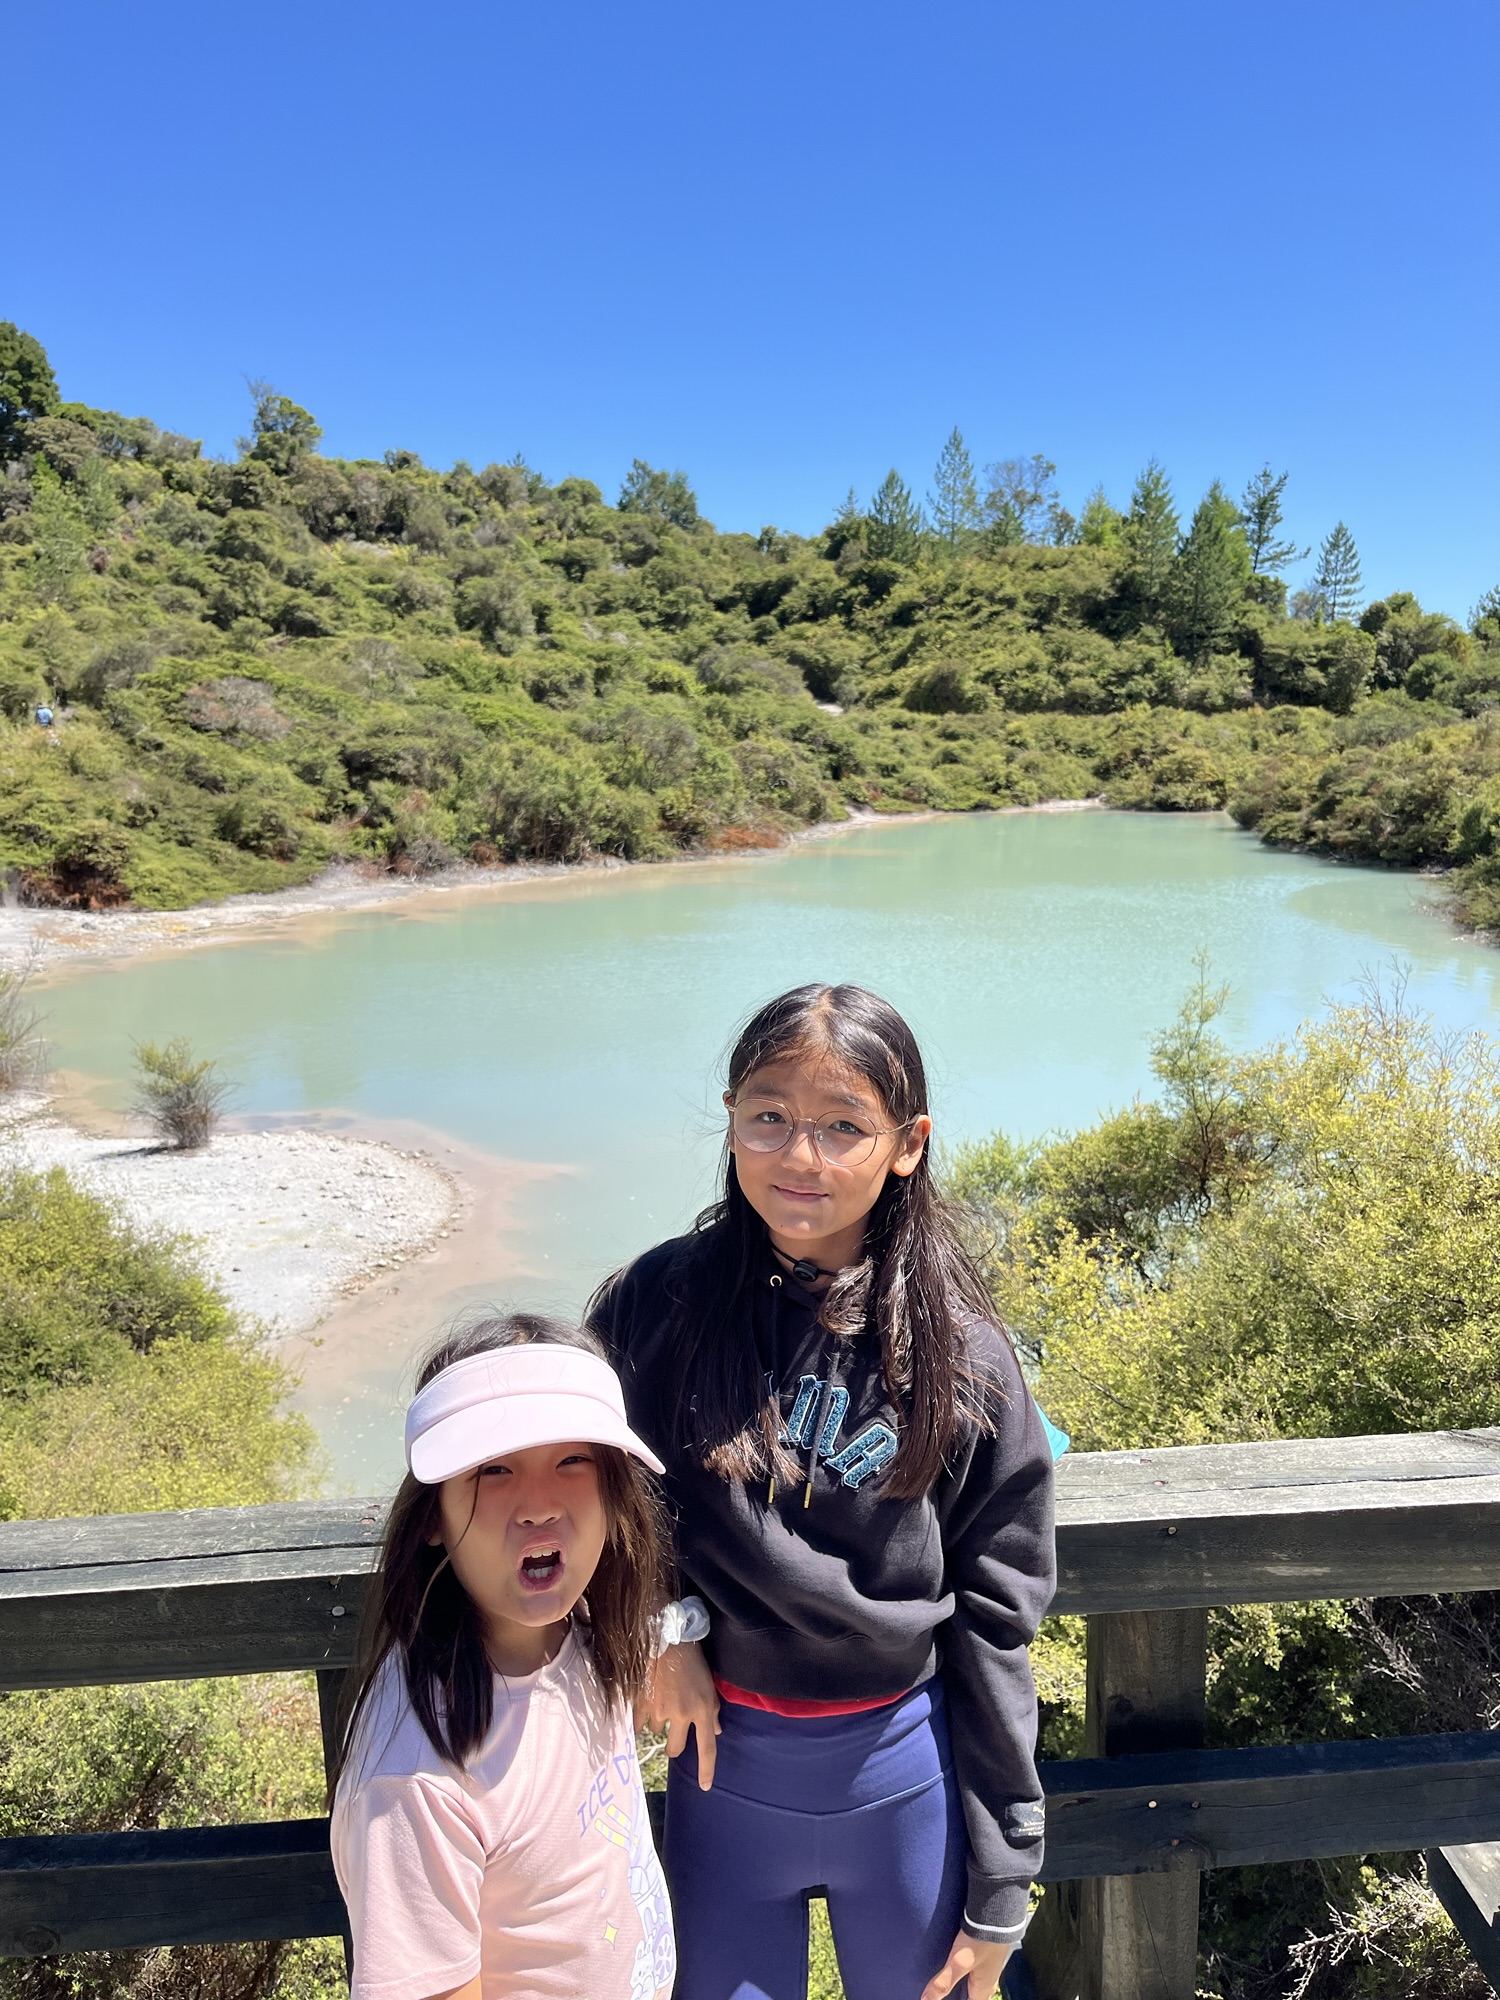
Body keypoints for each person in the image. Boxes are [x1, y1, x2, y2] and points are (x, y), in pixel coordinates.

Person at [590, 983, 1058, 2000]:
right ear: (731, 1117)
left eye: (843, 1126)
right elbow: (597, 1490)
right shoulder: (658, 1304)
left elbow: (997, 1612)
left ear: (908, 1143)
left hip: (904, 1771)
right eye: (770, 1116)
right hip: (718, 1769)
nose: (800, 1155)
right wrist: (663, 1628)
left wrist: (1003, 1879)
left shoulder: (959, 1351)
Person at [330, 1314, 677, 2000]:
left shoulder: (581, 1634)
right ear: (431, 1516)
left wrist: (682, 1639)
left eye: (572, 1460)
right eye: (493, 1470)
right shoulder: (415, 1781)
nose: (538, 1506)